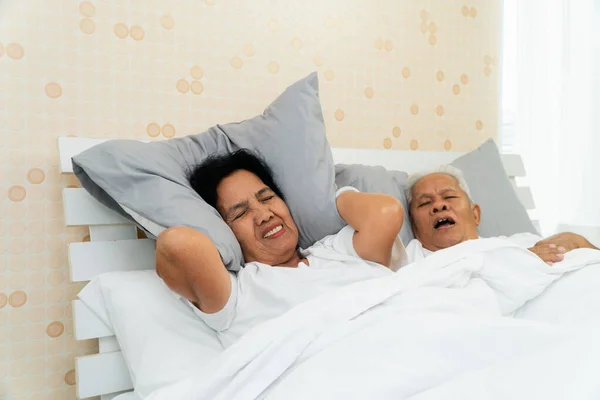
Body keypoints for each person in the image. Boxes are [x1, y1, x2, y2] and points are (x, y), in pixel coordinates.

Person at [155, 150, 406, 347]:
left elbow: (386, 212)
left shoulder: (335, 250)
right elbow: (177, 245)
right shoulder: (237, 294)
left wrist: (324, 201)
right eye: (241, 213)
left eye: (267, 198)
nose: (264, 215)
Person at [404, 165, 598, 264]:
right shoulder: (413, 263)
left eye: (449, 196)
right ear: (414, 225)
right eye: (425, 202)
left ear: (476, 214)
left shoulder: (520, 243)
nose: (439, 206)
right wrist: (516, 264)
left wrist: (573, 240)